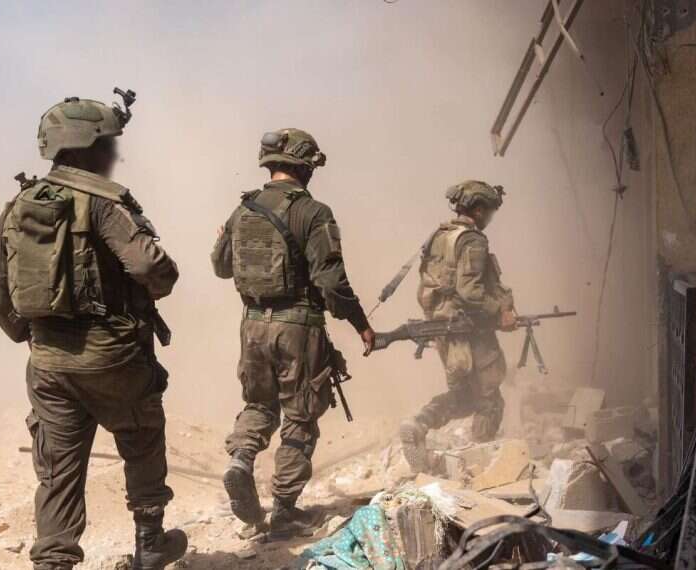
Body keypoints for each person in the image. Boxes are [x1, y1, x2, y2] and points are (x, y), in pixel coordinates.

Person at [0, 92, 187, 570]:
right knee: (141, 435)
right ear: (86, 147)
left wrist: (30, 336)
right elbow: (149, 266)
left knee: (57, 469)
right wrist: (159, 285)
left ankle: (54, 560)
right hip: (113, 357)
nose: (114, 155)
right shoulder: (101, 203)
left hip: (49, 363)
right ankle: (150, 540)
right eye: (108, 144)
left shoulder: (20, 204)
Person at [211, 128, 376, 539]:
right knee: (300, 416)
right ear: (306, 165)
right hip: (298, 326)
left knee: (258, 404)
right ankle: (284, 509)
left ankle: (241, 460)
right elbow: (332, 283)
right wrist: (360, 323)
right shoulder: (313, 212)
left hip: (251, 324)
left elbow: (220, 266)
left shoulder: (243, 210)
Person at [399, 180, 518, 473]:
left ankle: (419, 423)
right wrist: (500, 311)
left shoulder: (441, 236)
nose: (490, 218)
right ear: (478, 209)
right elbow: (470, 292)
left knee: (464, 396)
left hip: (445, 331)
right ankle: (481, 467)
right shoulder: (473, 240)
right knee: (489, 401)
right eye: (489, 211)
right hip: (470, 332)